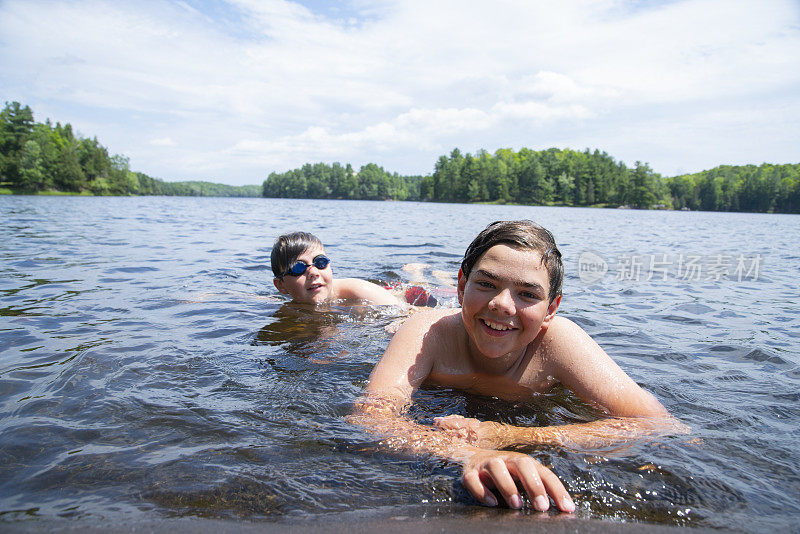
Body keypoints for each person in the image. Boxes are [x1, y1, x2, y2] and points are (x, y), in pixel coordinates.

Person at [350, 220, 688, 513]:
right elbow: (372, 415)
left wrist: (508, 435)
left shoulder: (559, 342)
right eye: (486, 284)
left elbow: (658, 424)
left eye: (527, 294)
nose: (502, 305)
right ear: (462, 285)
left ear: (552, 307)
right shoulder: (427, 333)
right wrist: (467, 453)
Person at [271, 231, 406, 306]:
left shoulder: (358, 291)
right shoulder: (291, 302)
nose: (313, 272)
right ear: (281, 286)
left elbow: (407, 312)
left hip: (395, 295)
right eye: (299, 267)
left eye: (320, 262)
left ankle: (415, 272)